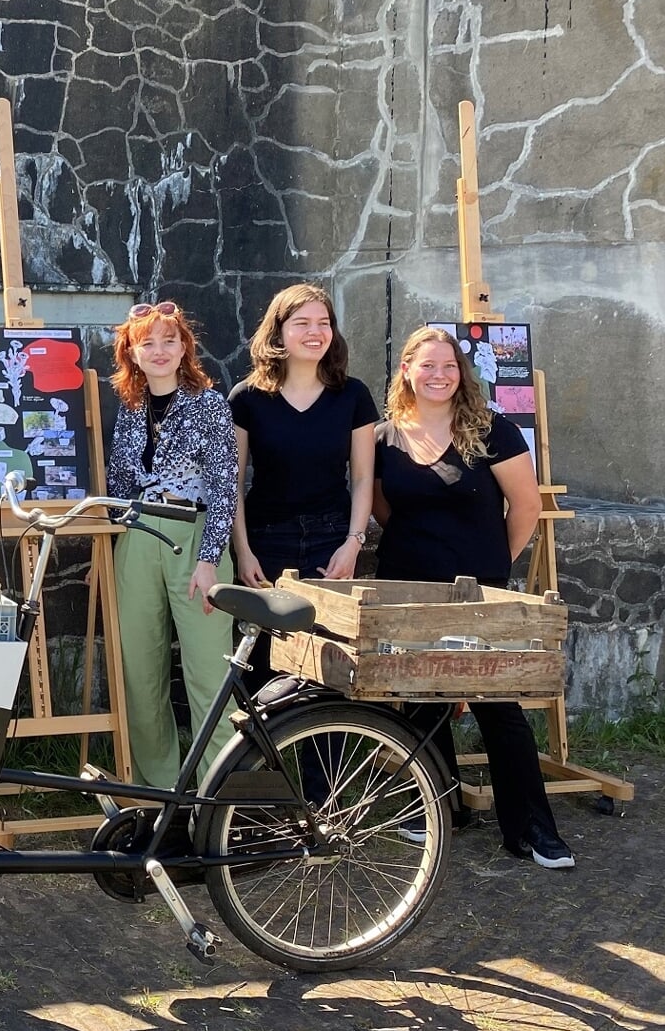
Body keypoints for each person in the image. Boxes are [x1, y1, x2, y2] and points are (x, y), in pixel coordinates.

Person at [373, 325, 574, 870]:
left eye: (449, 366)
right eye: (428, 365)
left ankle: (531, 829)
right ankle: (438, 810)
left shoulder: (492, 430)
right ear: (408, 371)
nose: (439, 375)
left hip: (480, 590)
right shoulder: (383, 437)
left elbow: (526, 507)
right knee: (422, 700)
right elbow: (384, 512)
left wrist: (494, 570)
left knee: (497, 705)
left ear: (461, 373)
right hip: (408, 584)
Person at [105, 301, 239, 787]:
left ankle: (216, 800)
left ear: (184, 347)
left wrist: (209, 560)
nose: (158, 351)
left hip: (194, 536)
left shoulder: (209, 404)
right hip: (137, 536)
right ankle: (156, 795)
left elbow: (226, 486)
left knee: (208, 675)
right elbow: (118, 481)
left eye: (168, 340)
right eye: (147, 343)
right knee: (140, 673)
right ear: (132, 353)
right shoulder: (129, 408)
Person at [230, 283, 377, 691]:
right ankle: (262, 755)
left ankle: (323, 756)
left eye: (324, 322)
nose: (316, 331)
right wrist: (243, 550)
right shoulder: (247, 398)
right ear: (278, 332)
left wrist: (353, 542)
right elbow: (233, 481)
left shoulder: (353, 396)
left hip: (331, 542)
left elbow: (363, 476)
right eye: (302, 323)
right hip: (265, 539)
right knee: (259, 664)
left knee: (325, 664)